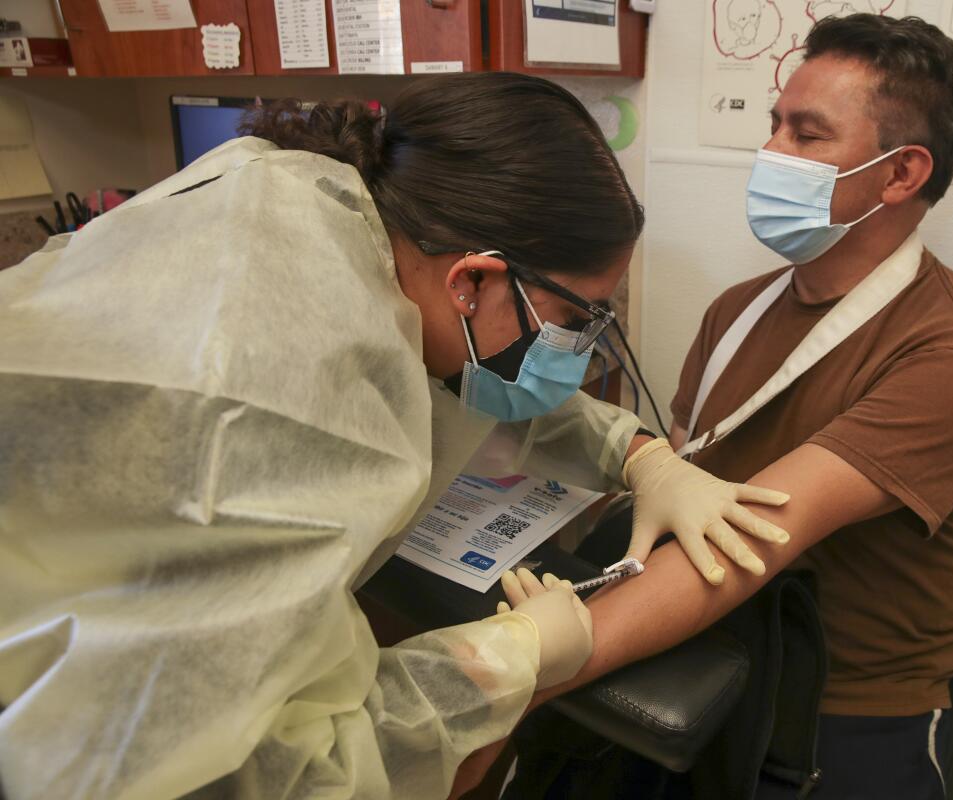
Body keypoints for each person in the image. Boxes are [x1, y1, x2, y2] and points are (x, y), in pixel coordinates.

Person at [0, 73, 791, 800]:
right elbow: (273, 774)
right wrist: (509, 655)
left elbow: (470, 376)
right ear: (473, 278)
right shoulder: (302, 414)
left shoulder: (296, 202)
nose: (580, 350)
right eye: (576, 320)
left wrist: (639, 452)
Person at [485, 14, 953, 800]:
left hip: (843, 702)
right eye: (774, 127)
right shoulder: (736, 309)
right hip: (703, 638)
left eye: (807, 135)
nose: (771, 154)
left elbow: (749, 542)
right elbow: (678, 476)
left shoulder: (952, 355)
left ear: (900, 176)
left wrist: (530, 668)